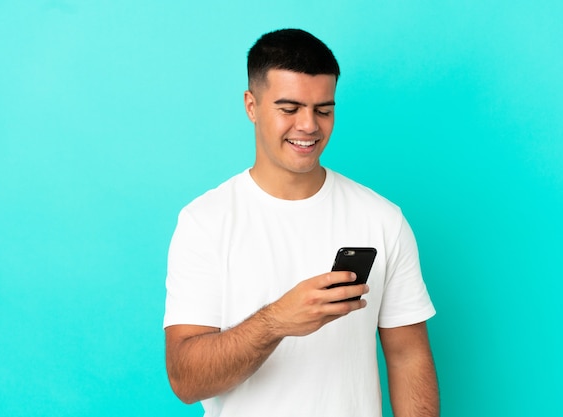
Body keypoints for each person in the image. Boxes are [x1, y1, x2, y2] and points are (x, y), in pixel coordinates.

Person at [163, 28, 439, 417]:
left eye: (323, 110)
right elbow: (186, 382)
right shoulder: (205, 222)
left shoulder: (382, 218)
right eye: (289, 109)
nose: (309, 125)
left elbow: (408, 357)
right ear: (251, 106)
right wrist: (277, 321)